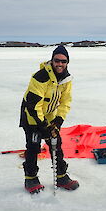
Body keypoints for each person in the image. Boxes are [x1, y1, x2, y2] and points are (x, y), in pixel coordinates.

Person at [19, 45, 79, 194]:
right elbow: (33, 105)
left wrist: (58, 122)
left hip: (49, 116)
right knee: (33, 147)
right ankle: (30, 178)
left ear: (67, 62)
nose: (60, 64)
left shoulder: (66, 79)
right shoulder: (40, 77)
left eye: (63, 61)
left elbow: (66, 101)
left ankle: (61, 176)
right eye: (57, 60)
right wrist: (44, 126)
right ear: (52, 61)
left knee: (56, 144)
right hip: (32, 117)